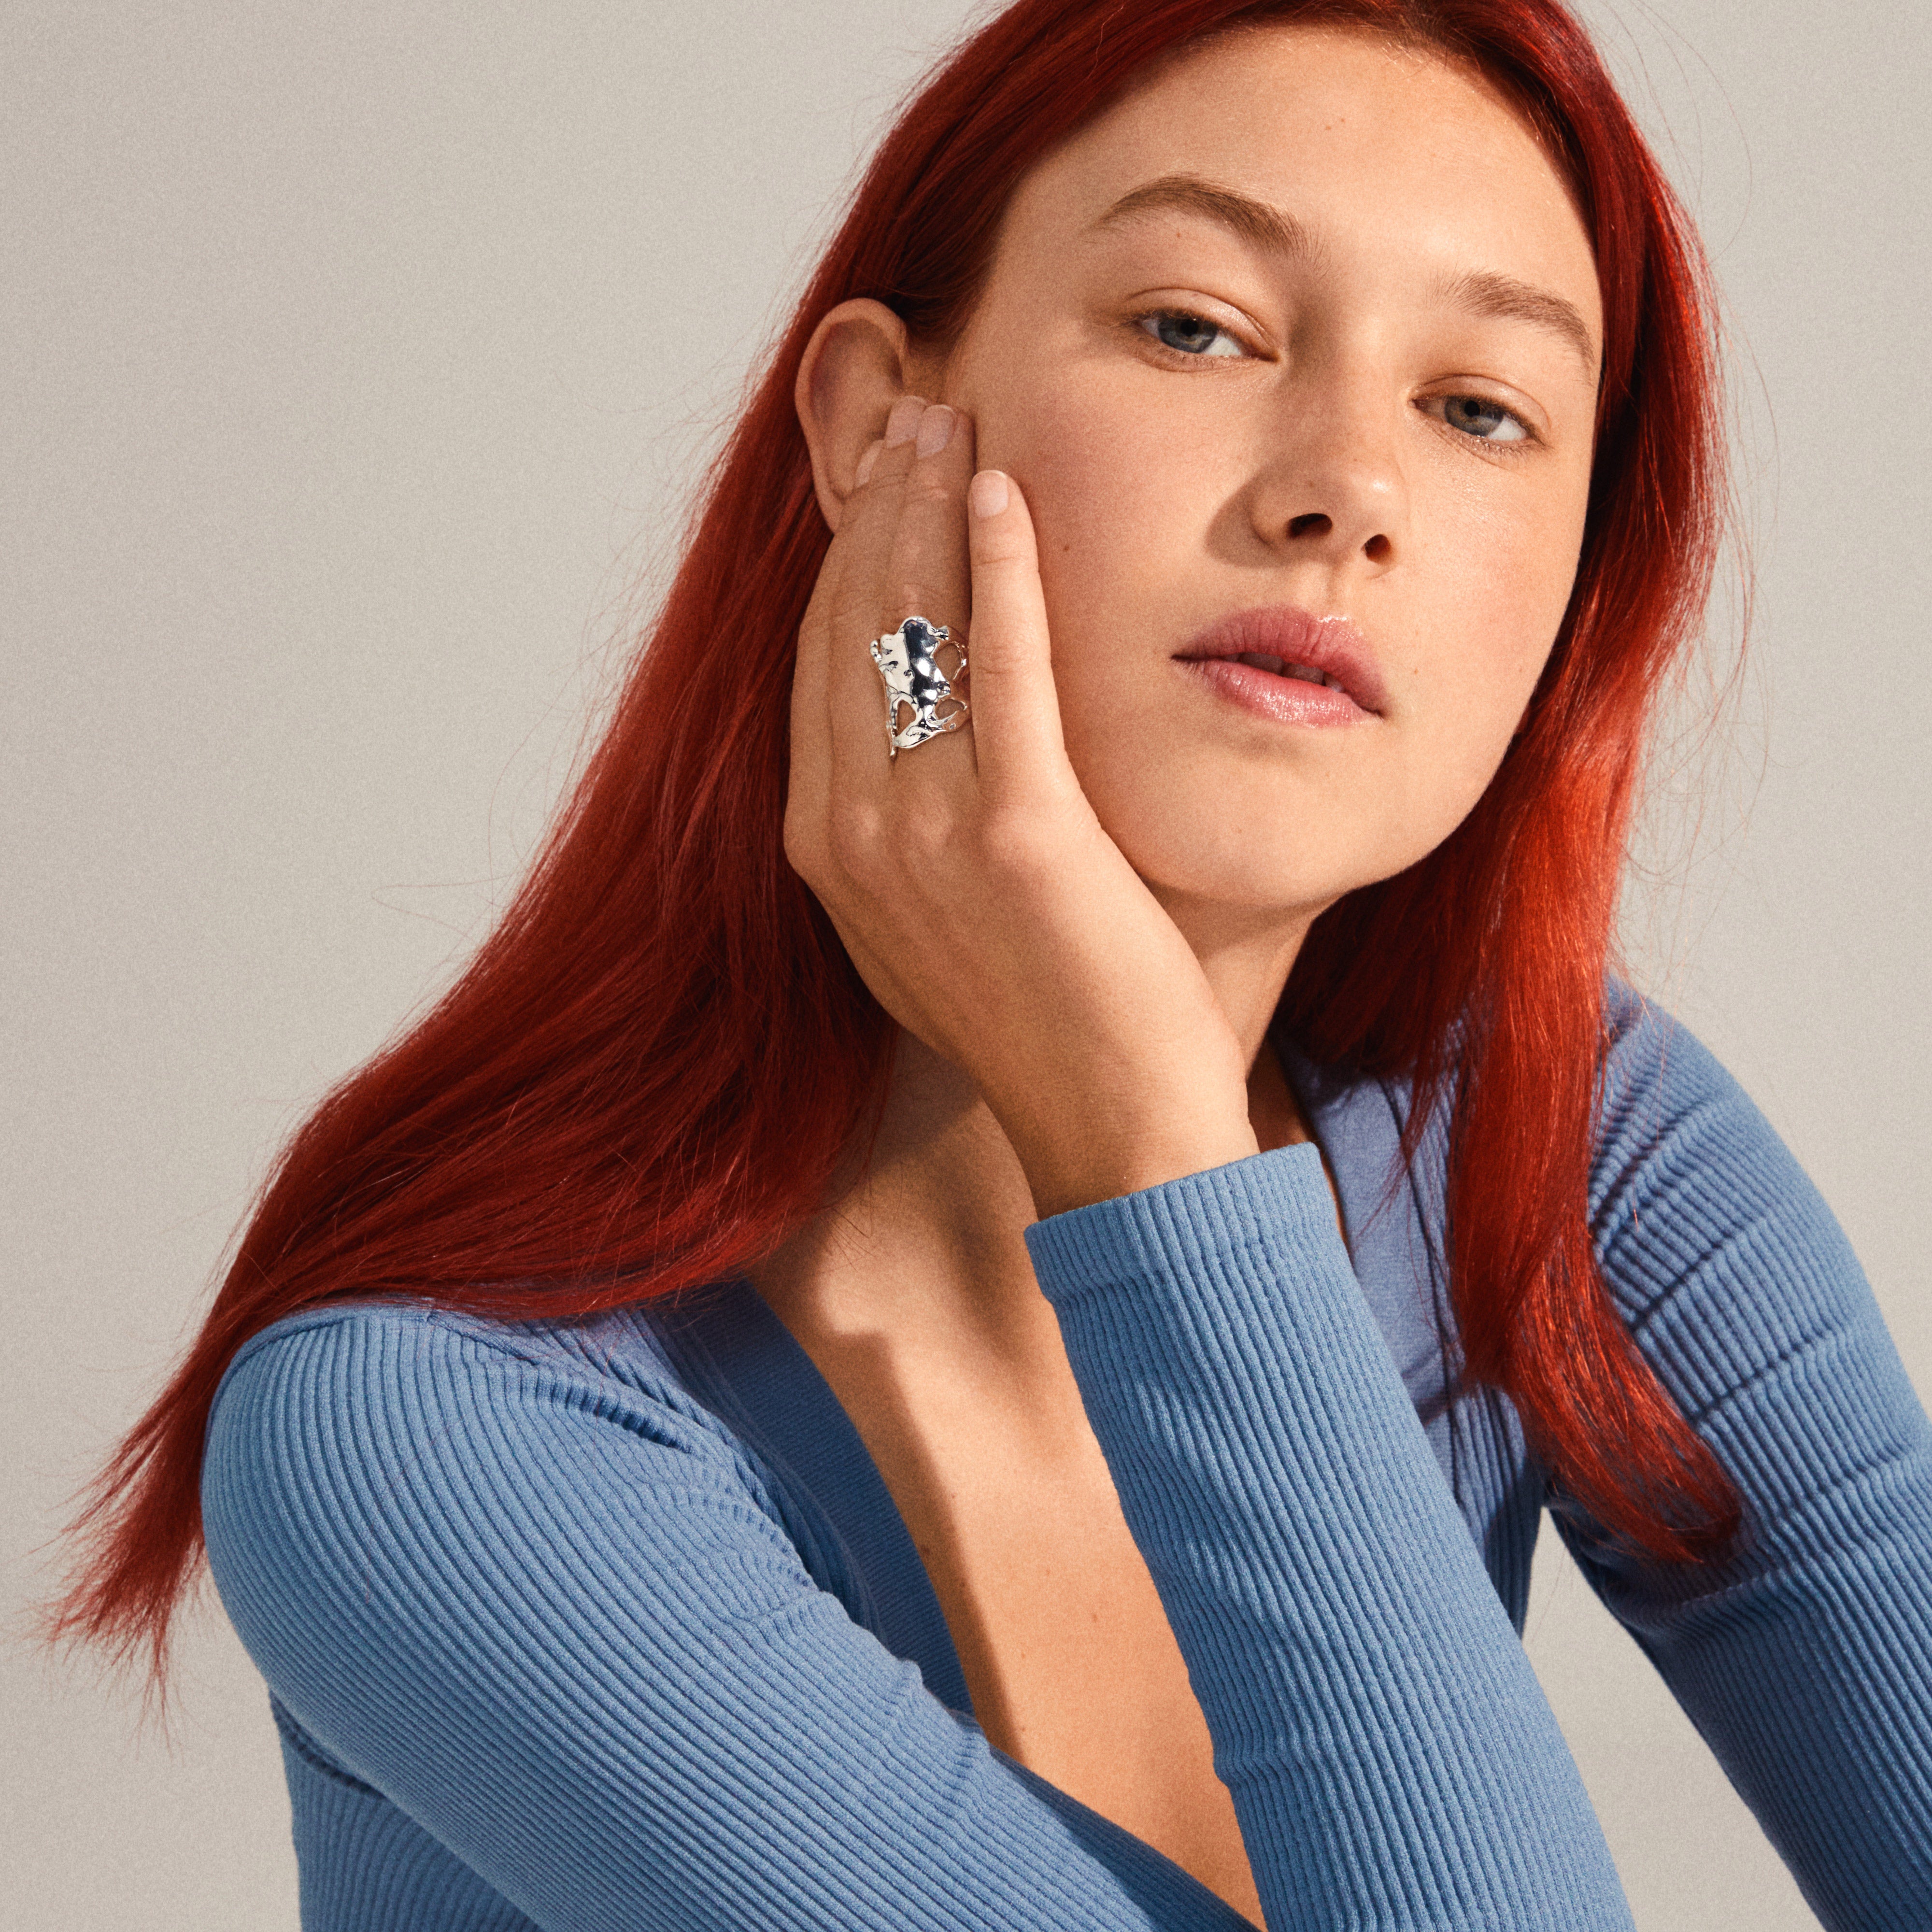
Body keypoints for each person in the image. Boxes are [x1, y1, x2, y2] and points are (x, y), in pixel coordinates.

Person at [52, 0, 1932, 1926]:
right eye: (1195, 326)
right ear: (878, 427)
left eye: (1480, 409)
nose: (1344, 488)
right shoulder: (429, 1437)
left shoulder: (1557, 1142)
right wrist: (1158, 1168)